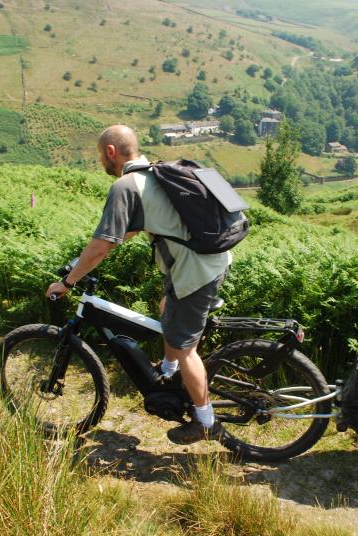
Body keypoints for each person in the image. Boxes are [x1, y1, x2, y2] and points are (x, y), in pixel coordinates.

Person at [46, 124, 230, 444]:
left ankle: (205, 421)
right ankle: (169, 373)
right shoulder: (157, 174)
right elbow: (124, 234)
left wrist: (68, 281)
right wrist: (80, 263)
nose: (100, 161)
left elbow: (103, 244)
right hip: (204, 263)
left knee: (186, 348)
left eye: (100, 155)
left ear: (110, 152)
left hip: (196, 272)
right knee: (165, 307)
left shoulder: (125, 186)